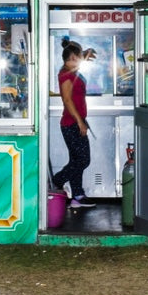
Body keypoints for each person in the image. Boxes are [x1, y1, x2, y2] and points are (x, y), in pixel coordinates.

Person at [51, 40, 97, 209]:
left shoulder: (72, 70)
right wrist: (79, 122)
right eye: (74, 59)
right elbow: (67, 100)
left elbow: (76, 52)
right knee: (83, 160)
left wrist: (83, 53)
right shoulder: (66, 75)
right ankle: (58, 180)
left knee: (76, 160)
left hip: (76, 122)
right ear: (67, 60)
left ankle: (77, 196)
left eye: (78, 59)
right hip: (71, 124)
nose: (77, 62)